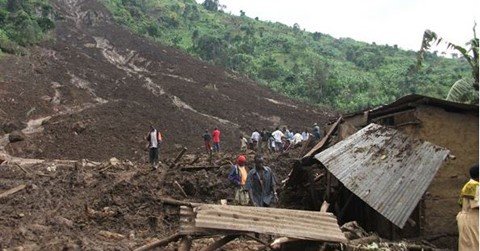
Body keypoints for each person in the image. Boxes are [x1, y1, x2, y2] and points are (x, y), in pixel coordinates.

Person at [457, 164, 479, 251]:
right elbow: (476, 205)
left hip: (465, 217)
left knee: (467, 246)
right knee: (474, 246)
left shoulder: (468, 185)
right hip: (472, 218)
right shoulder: (475, 186)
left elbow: (460, 203)